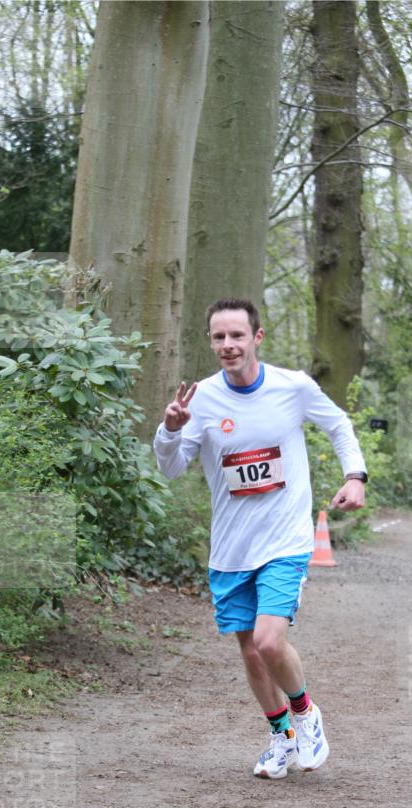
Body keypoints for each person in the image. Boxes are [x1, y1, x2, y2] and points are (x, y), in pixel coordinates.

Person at [153, 298, 367, 779]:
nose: (227, 346)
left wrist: (355, 476)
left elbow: (337, 425)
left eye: (236, 336)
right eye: (218, 337)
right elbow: (170, 468)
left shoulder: (293, 387)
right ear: (210, 342)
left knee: (270, 643)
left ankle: (307, 714)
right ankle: (281, 738)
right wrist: (170, 431)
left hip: (285, 540)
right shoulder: (201, 400)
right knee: (250, 651)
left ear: (257, 337)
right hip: (230, 547)